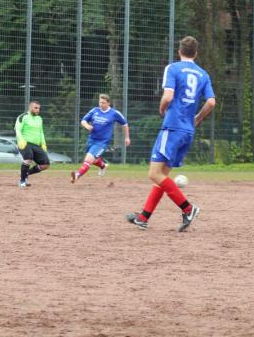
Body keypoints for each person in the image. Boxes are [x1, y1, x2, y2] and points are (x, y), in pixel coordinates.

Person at [126, 36, 215, 232]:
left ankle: (188, 208)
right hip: (187, 131)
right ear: (196, 53)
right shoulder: (203, 74)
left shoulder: (173, 68)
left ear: (179, 51)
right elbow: (211, 102)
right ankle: (144, 217)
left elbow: (168, 96)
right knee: (163, 175)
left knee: (154, 173)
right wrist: (198, 118)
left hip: (172, 127)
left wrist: (161, 108)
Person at [71, 93, 130, 183]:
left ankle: (77, 175)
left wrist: (127, 137)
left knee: (88, 159)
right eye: (100, 102)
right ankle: (103, 166)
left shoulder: (114, 113)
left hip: (102, 142)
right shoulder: (95, 111)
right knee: (93, 160)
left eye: (103, 103)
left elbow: (125, 124)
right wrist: (87, 126)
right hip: (91, 139)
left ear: (108, 103)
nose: (101, 104)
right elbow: (83, 120)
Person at [15, 100, 49, 187]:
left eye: (39, 108)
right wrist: (21, 141)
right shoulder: (23, 117)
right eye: (36, 108)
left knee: (45, 164)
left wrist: (43, 144)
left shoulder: (39, 119)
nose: (38, 110)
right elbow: (17, 129)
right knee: (28, 158)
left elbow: (41, 132)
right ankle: (22, 181)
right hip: (25, 143)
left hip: (36, 145)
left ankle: (25, 173)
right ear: (30, 107)